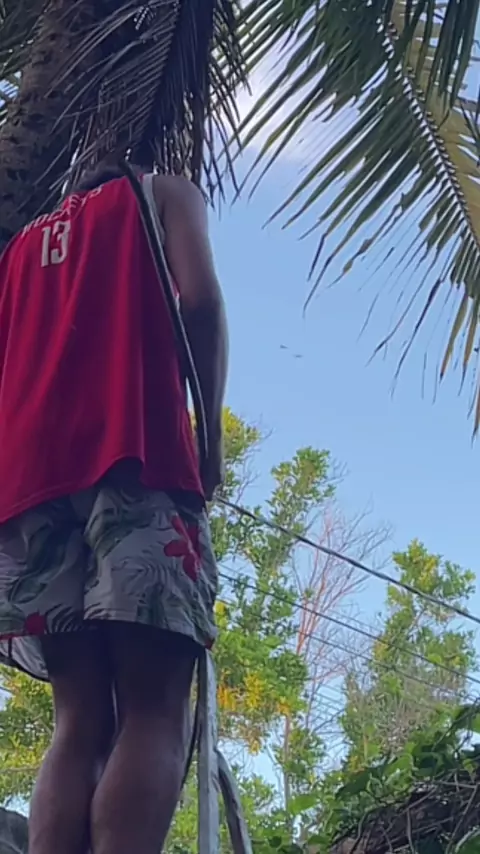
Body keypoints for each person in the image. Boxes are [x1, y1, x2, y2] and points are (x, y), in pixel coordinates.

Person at [0, 162, 228, 854]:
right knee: (155, 708)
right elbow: (200, 303)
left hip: (28, 487)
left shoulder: (20, 249)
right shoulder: (163, 192)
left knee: (78, 720)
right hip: (136, 454)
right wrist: (210, 439)